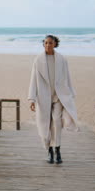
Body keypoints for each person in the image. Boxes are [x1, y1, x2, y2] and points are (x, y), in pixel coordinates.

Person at [28, 35, 79, 164]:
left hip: (58, 96)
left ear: (55, 44)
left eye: (50, 43)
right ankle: (49, 151)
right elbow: (33, 80)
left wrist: (71, 94)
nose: (48, 45)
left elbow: (67, 77)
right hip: (43, 97)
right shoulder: (38, 60)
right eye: (45, 43)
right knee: (45, 124)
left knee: (57, 122)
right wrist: (31, 99)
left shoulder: (62, 59)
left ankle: (58, 150)